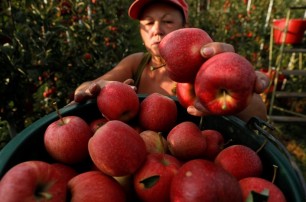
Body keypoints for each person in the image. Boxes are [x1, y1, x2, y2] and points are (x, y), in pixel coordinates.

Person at [73, 0, 269, 122]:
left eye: (167, 21)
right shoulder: (136, 63)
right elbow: (87, 87)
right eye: (148, 22)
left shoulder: (202, 72)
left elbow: (258, 119)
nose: (156, 29)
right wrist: (99, 90)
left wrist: (238, 82)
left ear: (186, 28)